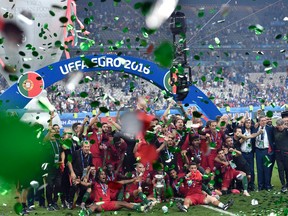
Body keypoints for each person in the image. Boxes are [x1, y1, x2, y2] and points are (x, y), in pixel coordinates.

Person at [84, 168, 149, 215]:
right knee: (94, 205)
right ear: (98, 176)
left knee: (123, 203)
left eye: (104, 174)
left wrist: (133, 180)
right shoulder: (95, 184)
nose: (104, 176)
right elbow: (86, 184)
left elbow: (122, 182)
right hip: (100, 204)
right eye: (101, 174)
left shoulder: (108, 183)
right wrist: (79, 181)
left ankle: (141, 208)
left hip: (109, 203)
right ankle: (87, 213)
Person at [67, 140, 93, 209]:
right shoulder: (76, 153)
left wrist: (86, 176)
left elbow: (89, 166)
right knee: (74, 186)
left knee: (84, 187)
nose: (87, 148)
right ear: (82, 147)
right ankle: (70, 202)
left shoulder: (90, 155)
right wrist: (72, 173)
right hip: (75, 174)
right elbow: (69, 162)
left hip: (83, 175)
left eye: (88, 147)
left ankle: (78, 202)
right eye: (85, 147)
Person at [273, 118, 288, 193]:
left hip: (286, 153)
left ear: (283, 125)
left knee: (287, 169)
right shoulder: (275, 130)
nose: (280, 127)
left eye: (281, 125)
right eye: (278, 125)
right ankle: (283, 185)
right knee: (280, 170)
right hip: (278, 154)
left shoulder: (286, 131)